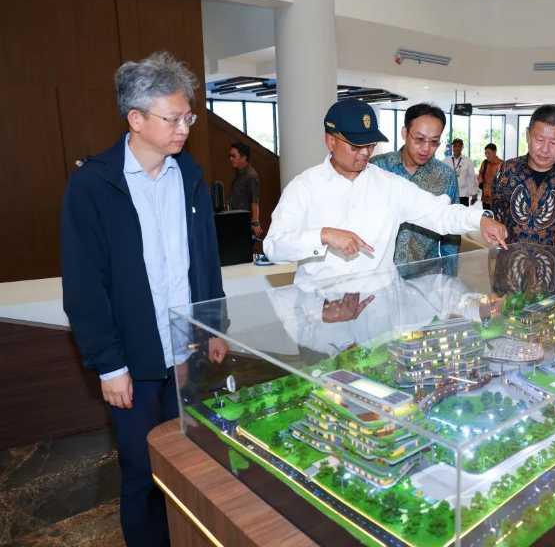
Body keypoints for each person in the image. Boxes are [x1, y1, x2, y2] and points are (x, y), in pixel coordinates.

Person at [60, 52, 227, 547]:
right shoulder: (93, 185)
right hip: (133, 360)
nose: (184, 128)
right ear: (136, 119)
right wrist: (109, 365)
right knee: (142, 472)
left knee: (194, 465)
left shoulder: (189, 175)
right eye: (172, 119)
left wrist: (214, 326)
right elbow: (84, 286)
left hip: (188, 351)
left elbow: (206, 259)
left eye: (188, 117)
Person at [262, 99, 508, 289]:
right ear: (331, 141)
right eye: (356, 146)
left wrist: (480, 219)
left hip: (377, 311)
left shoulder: (389, 184)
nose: (365, 153)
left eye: (370, 145)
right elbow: (274, 247)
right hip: (320, 312)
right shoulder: (303, 187)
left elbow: (439, 213)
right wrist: (323, 236)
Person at [369, 104, 459, 267]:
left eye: (434, 142)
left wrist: (449, 277)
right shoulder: (377, 167)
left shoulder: (446, 176)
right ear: (404, 133)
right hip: (381, 273)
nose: (426, 148)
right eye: (419, 139)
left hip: (425, 273)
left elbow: (451, 235)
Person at [493, 104, 555, 248]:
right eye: (539, 140)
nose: (545, 149)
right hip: (510, 259)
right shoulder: (505, 172)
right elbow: (498, 217)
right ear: (528, 135)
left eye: (554, 142)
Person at [227, 142, 262, 237]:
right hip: (237, 221)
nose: (231, 159)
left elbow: (255, 201)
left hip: (244, 224)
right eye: (230, 156)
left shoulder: (251, 175)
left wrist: (255, 223)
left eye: (234, 156)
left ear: (244, 157)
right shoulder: (239, 173)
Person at [447, 138, 479, 206]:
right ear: (452, 147)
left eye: (459, 146)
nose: (457, 148)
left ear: (462, 147)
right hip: (449, 194)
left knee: (463, 212)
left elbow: (472, 178)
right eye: (455, 146)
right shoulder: (446, 161)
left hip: (463, 194)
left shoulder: (468, 161)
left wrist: (474, 194)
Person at [478, 143, 503, 211]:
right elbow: (480, 174)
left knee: (495, 216)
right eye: (485, 153)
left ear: (495, 152)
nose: (487, 155)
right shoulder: (484, 163)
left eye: (488, 153)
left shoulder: (502, 164)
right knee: (486, 215)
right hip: (485, 198)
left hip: (496, 199)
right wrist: (480, 180)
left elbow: (504, 181)